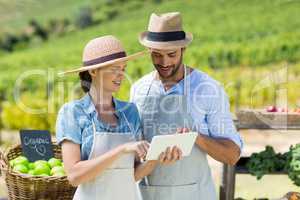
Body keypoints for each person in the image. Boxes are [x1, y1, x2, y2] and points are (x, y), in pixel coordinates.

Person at [130, 12, 244, 200]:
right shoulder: (138, 89)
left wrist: (195, 138)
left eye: (171, 54)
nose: (164, 62)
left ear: (183, 49)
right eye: (157, 55)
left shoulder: (207, 89)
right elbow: (133, 152)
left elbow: (232, 155)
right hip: (149, 194)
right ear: (149, 50)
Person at [56, 35, 150, 200]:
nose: (121, 75)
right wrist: (121, 149)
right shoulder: (73, 112)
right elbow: (74, 175)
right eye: (114, 69)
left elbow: (132, 174)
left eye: (123, 68)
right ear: (93, 71)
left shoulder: (130, 112)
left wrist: (158, 158)